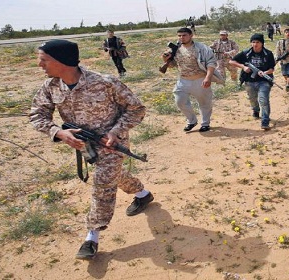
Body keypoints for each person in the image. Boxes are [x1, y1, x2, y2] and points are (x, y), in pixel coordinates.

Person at [30, 39, 154, 260]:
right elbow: (37, 115)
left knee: (102, 183)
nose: (40, 65)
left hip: (113, 145)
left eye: (43, 60)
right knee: (113, 176)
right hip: (85, 146)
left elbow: (136, 109)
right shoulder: (50, 87)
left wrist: (115, 131)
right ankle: (142, 194)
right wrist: (59, 132)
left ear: (62, 61)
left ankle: (91, 237)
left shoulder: (105, 82)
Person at [162, 27, 224, 132]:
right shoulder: (175, 49)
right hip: (183, 80)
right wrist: (165, 59)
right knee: (180, 101)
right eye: (179, 36)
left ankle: (205, 124)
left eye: (184, 35)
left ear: (191, 36)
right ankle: (191, 121)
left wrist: (208, 78)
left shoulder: (202, 48)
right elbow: (172, 65)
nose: (182, 38)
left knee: (204, 103)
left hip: (200, 79)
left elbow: (211, 63)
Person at [229, 33, 276, 130]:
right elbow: (231, 61)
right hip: (249, 81)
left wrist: (264, 72)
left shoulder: (268, 53)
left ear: (262, 43)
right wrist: (243, 67)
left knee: (264, 100)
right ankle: (255, 110)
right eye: (253, 42)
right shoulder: (246, 53)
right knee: (252, 99)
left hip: (264, 81)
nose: (255, 44)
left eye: (257, 42)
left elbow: (272, 68)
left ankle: (265, 121)